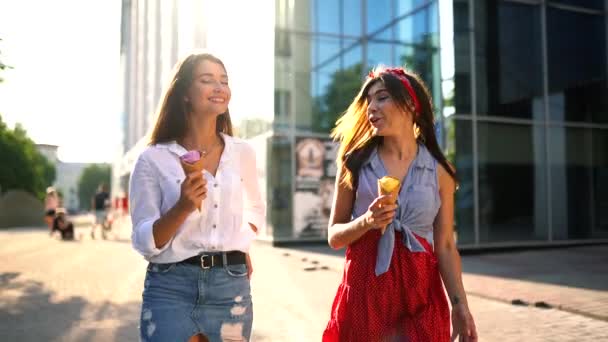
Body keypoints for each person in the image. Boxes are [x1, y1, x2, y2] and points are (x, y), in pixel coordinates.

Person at [323, 66, 477, 341]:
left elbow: (445, 246)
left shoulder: (440, 171)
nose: (371, 107)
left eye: (381, 97)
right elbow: (334, 236)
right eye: (368, 100)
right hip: (365, 295)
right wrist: (366, 222)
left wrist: (460, 304)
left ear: (410, 105)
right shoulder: (354, 163)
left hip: (421, 296)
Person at [129, 52, 265, 342]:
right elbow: (144, 242)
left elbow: (255, 208)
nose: (219, 87)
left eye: (224, 81)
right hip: (170, 286)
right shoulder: (153, 159)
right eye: (207, 80)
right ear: (185, 94)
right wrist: (182, 207)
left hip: (231, 287)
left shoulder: (243, 153)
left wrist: (240, 240)